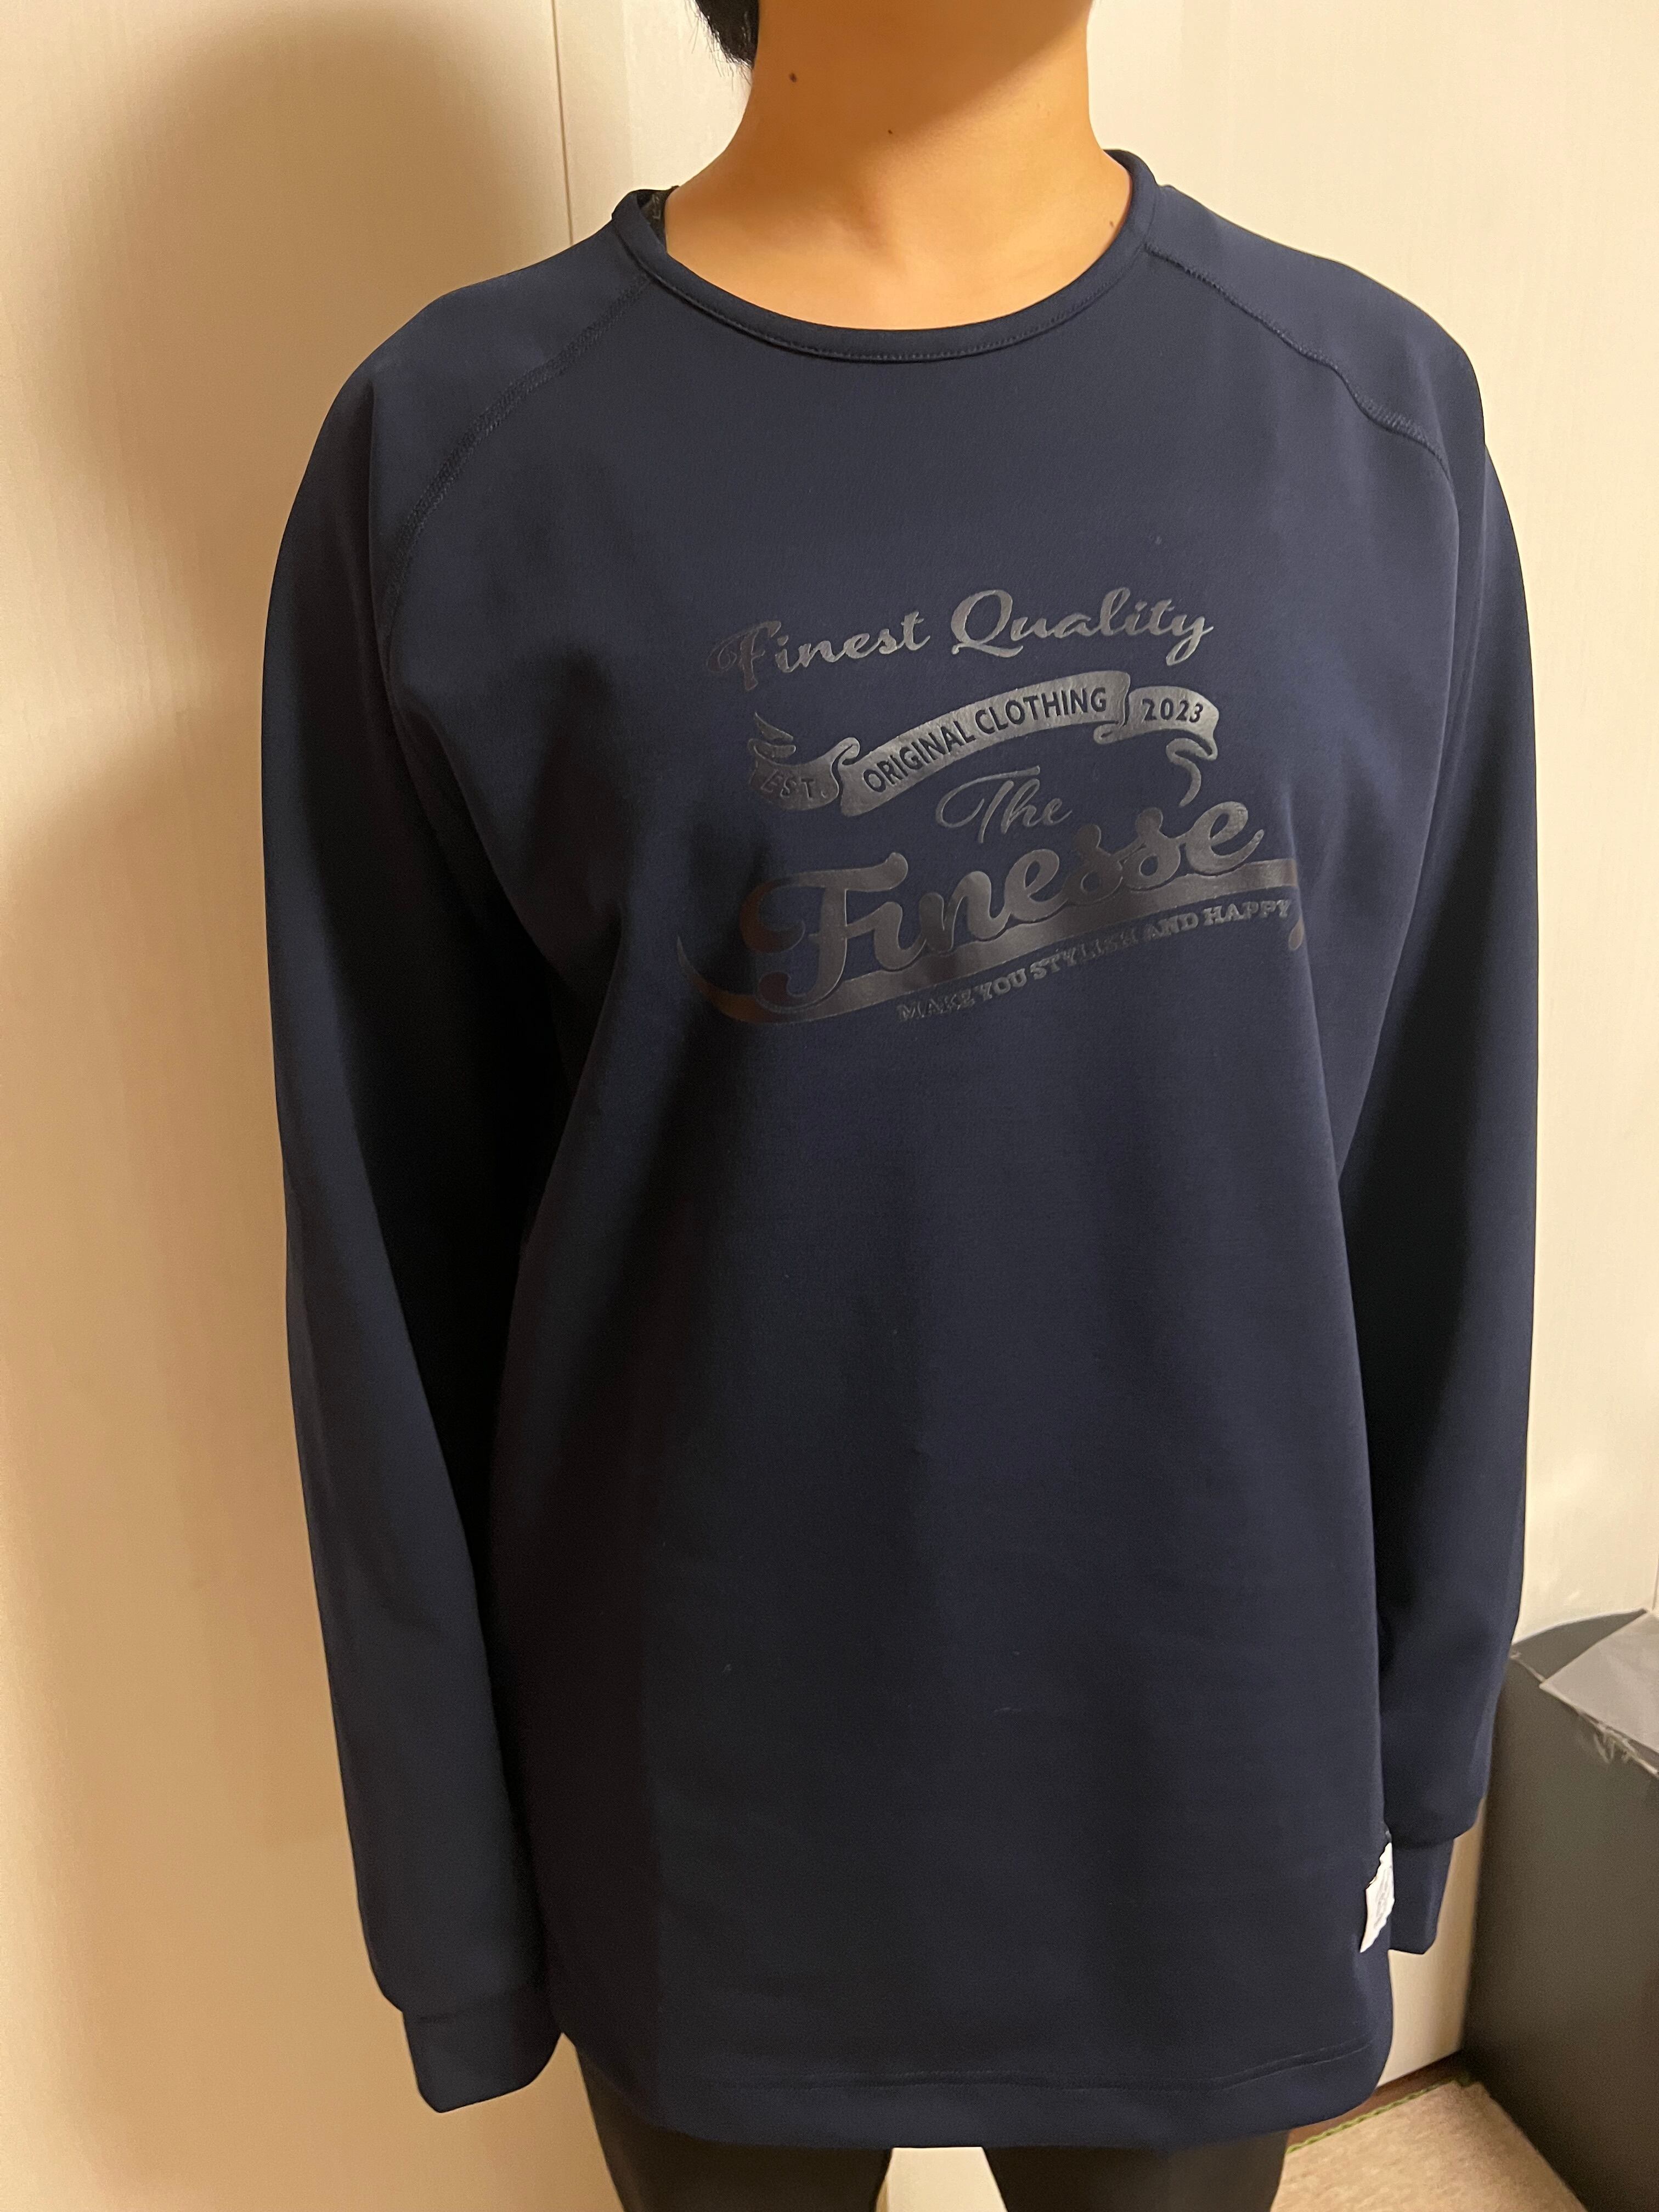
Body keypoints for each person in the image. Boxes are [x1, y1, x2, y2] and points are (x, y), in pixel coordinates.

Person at [259, 1, 1537, 2207]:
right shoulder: (455, 460)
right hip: (703, 1814)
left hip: (1211, 1773)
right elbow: (390, 1254)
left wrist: (1420, 1747)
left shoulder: (1374, 426)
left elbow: (1445, 1166)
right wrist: (453, 1901)